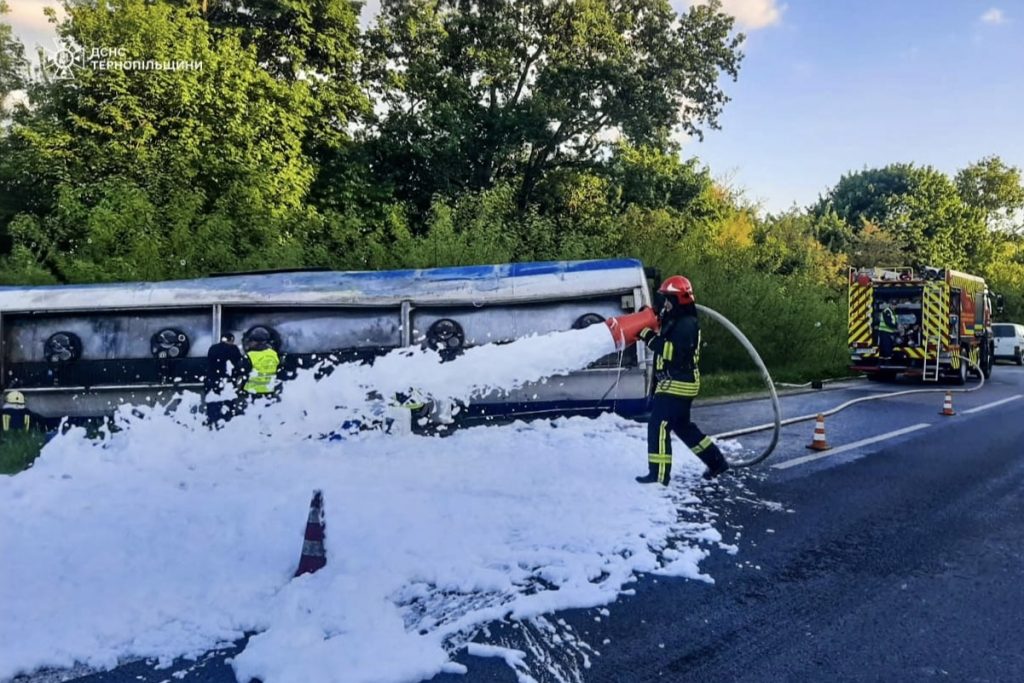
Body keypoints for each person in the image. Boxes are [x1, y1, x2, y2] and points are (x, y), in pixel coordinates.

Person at [635, 276, 730, 486]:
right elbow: (667, 330)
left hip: (677, 384)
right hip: (679, 382)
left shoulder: (686, 324)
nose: (666, 304)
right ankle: (717, 462)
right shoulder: (679, 320)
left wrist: (648, 337)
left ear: (678, 300)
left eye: (668, 300)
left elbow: (673, 352)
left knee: (658, 426)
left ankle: (658, 475)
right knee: (683, 427)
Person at [204, 333, 243, 426]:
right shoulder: (233, 349)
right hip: (227, 381)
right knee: (228, 402)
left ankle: (213, 421)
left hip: (212, 379)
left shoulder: (213, 348)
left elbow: (209, 362)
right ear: (231, 340)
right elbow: (238, 364)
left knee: (213, 401)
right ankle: (227, 420)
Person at [240, 327, 281, 403]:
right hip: (270, 390)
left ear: (254, 341)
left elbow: (241, 373)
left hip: (252, 392)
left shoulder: (249, 356)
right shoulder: (274, 354)